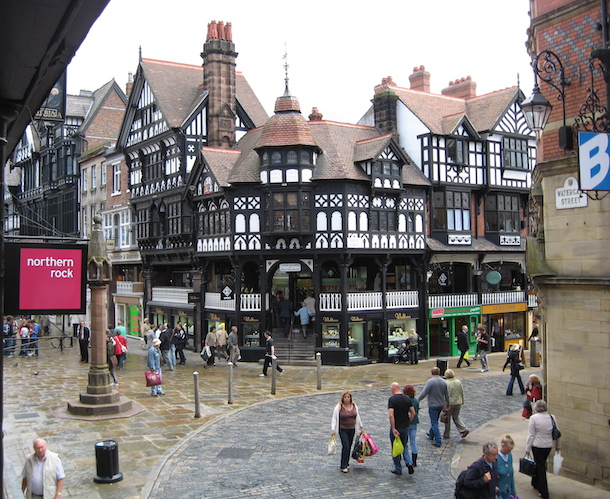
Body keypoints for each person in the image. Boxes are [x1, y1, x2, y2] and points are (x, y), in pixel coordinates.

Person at [525, 400, 560, 499]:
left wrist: (527, 448)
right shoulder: (552, 417)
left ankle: (544, 492)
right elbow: (557, 433)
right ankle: (535, 483)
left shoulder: (533, 418)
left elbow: (531, 435)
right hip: (548, 446)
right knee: (540, 464)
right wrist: (558, 446)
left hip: (537, 446)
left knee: (540, 468)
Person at [330, 391, 364, 473]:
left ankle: (346, 462)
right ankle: (343, 465)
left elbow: (357, 417)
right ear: (342, 398)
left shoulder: (354, 406)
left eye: (348, 397)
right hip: (343, 429)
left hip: (352, 429)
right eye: (345, 397)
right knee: (346, 446)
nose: (347, 399)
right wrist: (333, 429)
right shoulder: (339, 407)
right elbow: (334, 418)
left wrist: (361, 427)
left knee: (349, 446)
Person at [418, 366, 450, 447]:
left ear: (432, 373)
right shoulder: (443, 382)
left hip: (433, 405)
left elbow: (424, 393)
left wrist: (417, 400)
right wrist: (448, 404)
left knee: (434, 423)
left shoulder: (430, 382)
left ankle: (438, 440)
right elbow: (447, 395)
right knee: (435, 420)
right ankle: (431, 434)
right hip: (441, 405)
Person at [388, 382, 415, 475]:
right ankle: (408, 462)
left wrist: (393, 428)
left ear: (392, 389)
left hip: (397, 427)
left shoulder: (392, 400)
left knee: (395, 447)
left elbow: (391, 415)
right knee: (404, 445)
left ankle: (398, 468)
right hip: (405, 427)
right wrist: (408, 422)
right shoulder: (407, 398)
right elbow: (413, 413)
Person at [443, 369, 470, 438]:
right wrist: (463, 400)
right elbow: (461, 392)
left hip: (450, 403)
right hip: (458, 402)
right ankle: (463, 429)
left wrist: (444, 405)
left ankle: (446, 434)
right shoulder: (458, 382)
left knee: (447, 419)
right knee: (456, 417)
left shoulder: (446, 383)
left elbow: (445, 395)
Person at [403, 385, 419, 467]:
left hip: (406, 423)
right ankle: (414, 460)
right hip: (414, 423)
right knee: (413, 441)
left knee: (405, 442)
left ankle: (407, 459)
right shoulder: (416, 401)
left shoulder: (405, 400)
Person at [497, 435, 517, 499]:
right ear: (502, 446)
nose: (510, 452)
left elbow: (511, 475)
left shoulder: (509, 455)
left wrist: (513, 491)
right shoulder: (495, 457)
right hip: (498, 493)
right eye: (508, 450)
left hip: (507, 492)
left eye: (511, 450)